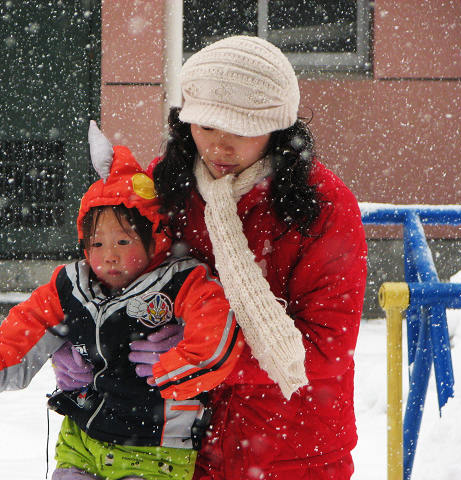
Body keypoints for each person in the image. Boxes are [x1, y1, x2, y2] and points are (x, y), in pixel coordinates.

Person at [0, 121, 244, 480]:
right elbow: (28, 324)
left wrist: (183, 365)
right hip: (84, 434)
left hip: (155, 446)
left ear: (155, 237)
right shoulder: (71, 284)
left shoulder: (181, 280)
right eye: (97, 244)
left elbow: (216, 326)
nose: (109, 256)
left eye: (123, 243)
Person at [142, 36, 367, 480]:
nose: (219, 147)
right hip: (178, 445)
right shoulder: (165, 186)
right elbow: (116, 279)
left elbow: (327, 346)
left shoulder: (322, 205)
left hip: (296, 448)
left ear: (278, 128)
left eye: (240, 131)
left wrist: (208, 361)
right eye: (206, 127)